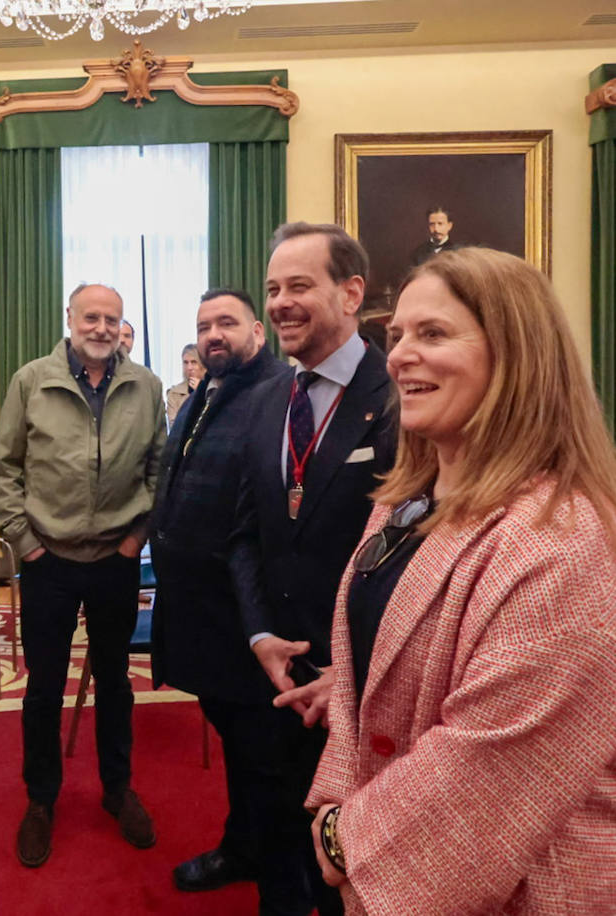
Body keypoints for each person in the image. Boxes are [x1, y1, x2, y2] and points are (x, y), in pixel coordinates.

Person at [304, 247, 616, 913]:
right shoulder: (407, 496)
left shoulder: (561, 538)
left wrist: (338, 841)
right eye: (397, 337)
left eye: (433, 333)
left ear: (516, 355)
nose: (397, 356)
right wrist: (337, 795)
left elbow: (485, 772)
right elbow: (365, 672)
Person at [220, 222, 396, 916]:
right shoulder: (267, 399)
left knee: (346, 867)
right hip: (276, 675)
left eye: (299, 286)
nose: (281, 303)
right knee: (277, 845)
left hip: (363, 688)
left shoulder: (401, 398)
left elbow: (418, 555)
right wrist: (260, 634)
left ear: (351, 293)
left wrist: (351, 670)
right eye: (272, 289)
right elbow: (243, 535)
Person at [0, 282, 166, 868]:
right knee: (43, 689)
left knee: (117, 683)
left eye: (111, 319)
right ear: (69, 318)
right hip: (48, 563)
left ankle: (118, 790)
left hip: (116, 561)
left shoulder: (146, 385)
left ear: (122, 326)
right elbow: (5, 467)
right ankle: (41, 800)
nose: (101, 327)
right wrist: (26, 545)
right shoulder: (31, 380)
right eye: (91, 316)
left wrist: (136, 539)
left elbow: (158, 470)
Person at [150, 288, 289, 896]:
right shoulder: (205, 392)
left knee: (265, 752)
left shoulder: (279, 393)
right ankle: (244, 847)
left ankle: (279, 877)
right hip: (199, 607)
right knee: (235, 736)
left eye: (226, 323)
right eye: (204, 325)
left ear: (257, 331)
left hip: (248, 613)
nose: (213, 335)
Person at [164, 343, 203, 428]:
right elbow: (174, 426)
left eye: (194, 362)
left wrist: (200, 391)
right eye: (185, 362)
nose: (189, 367)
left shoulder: (214, 389)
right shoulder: (174, 393)